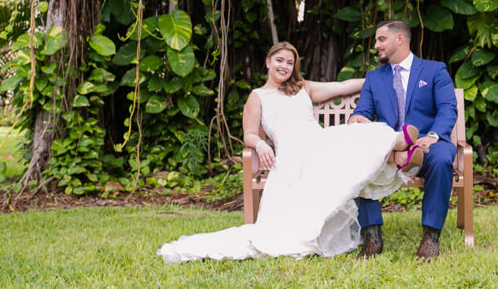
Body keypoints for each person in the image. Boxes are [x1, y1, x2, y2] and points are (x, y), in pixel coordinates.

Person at [158, 41, 424, 262]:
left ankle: (400, 146)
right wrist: (261, 144)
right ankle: (399, 154)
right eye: (280, 60)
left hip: (320, 144)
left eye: (289, 62)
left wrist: (378, 78)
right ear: (268, 62)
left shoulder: (303, 88)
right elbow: (250, 133)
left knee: (357, 132)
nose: (284, 66)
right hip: (290, 158)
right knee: (352, 144)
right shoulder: (257, 96)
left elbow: (342, 87)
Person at [348, 19, 458, 260]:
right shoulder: (374, 78)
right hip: (387, 152)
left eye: (381, 39)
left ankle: (431, 237)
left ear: (399, 39)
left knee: (441, 159)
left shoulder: (434, 70)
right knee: (357, 158)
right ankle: (372, 236)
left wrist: (431, 136)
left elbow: (448, 109)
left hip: (427, 146)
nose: (376, 45)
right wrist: (357, 118)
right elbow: (362, 112)